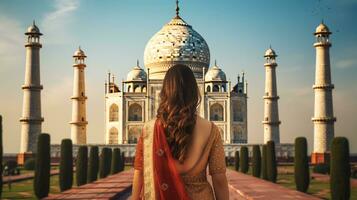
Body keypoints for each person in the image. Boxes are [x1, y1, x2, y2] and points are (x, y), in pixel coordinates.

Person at [132, 64, 229, 200]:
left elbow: (140, 173)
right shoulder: (211, 129)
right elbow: (219, 178)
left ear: (164, 91)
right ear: (195, 91)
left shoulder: (149, 129)